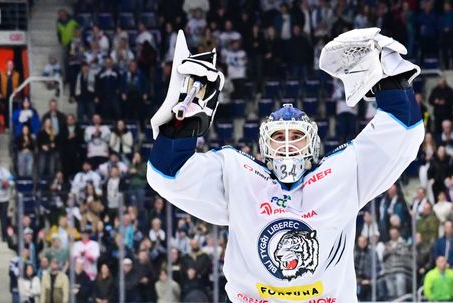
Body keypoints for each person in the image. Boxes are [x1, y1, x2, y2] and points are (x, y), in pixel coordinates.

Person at [147, 30, 424, 302]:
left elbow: (404, 132)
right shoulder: (238, 176)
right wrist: (182, 123)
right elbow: (168, 175)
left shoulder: (343, 174)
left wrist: (388, 74)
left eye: (297, 137)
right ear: (265, 144)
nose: (288, 145)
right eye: (280, 137)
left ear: (312, 143)